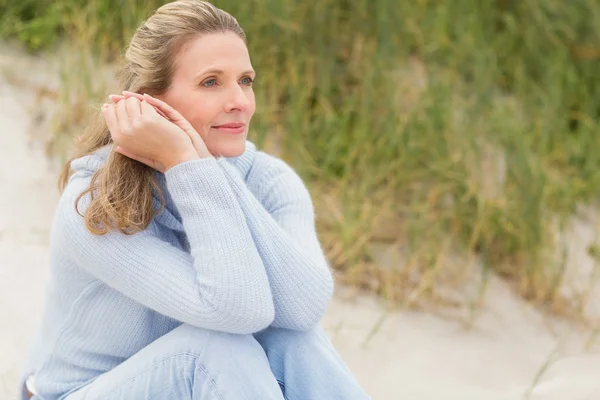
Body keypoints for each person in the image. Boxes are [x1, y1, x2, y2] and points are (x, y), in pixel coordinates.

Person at [19, 1, 371, 399]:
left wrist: (202, 166)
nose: (240, 100)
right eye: (211, 82)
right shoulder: (95, 203)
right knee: (216, 349)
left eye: (246, 80)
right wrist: (189, 164)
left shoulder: (270, 181)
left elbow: (303, 310)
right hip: (78, 393)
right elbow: (239, 311)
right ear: (151, 101)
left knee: (294, 343)